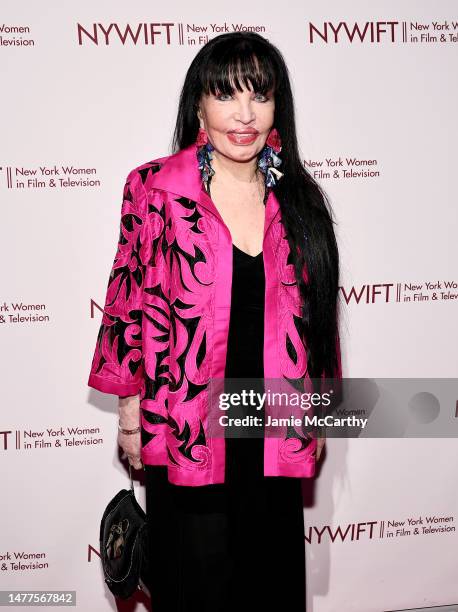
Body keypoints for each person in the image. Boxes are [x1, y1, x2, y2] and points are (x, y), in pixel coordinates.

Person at [87, 31, 342, 612]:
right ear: (199, 105)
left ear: (279, 108)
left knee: (268, 579)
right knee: (195, 581)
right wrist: (130, 413)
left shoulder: (299, 199)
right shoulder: (156, 188)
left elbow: (318, 326)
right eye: (227, 95)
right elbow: (128, 298)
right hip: (189, 423)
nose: (245, 115)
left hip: (273, 423)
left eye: (261, 95)